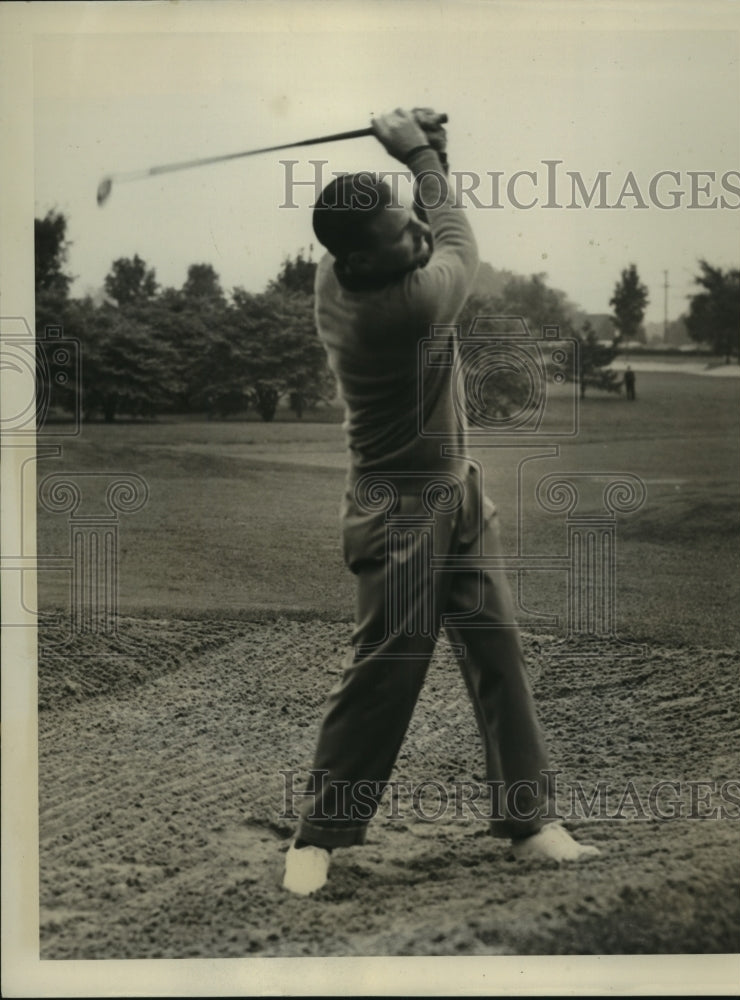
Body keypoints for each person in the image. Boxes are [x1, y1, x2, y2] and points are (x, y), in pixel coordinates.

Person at [283, 108, 599, 895]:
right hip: (397, 514)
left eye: (408, 220)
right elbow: (458, 237)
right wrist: (420, 151)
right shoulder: (407, 306)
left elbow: (426, 219)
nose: (417, 237)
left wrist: (434, 156)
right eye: (401, 235)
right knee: (386, 669)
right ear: (363, 257)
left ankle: (529, 821)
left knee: (497, 653)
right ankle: (317, 837)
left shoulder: (343, 267)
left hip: (457, 493)